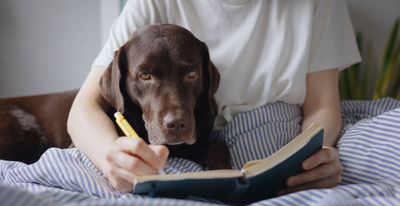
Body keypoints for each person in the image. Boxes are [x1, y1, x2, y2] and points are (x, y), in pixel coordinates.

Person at [67, 0, 361, 194]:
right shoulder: (152, 3)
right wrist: (112, 159)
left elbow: (323, 106)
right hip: (188, 150)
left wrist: (308, 159)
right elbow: (84, 109)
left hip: (282, 146)